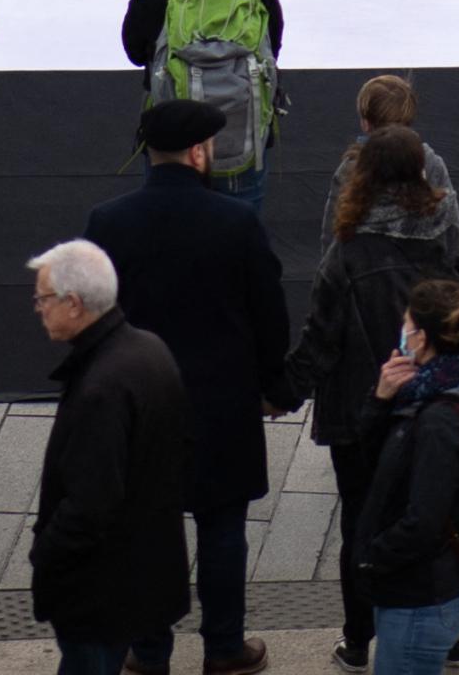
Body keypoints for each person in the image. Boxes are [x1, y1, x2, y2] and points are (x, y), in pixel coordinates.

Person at [285, 125, 459, 670]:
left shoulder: (346, 251)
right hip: (443, 405)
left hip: (361, 410)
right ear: (423, 174)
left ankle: (359, 637)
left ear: (361, 180)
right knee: (439, 513)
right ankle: (448, 636)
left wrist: (279, 395)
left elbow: (320, 339)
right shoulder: (454, 241)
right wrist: (455, 352)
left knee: (361, 520)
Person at [85, 100, 291, 675]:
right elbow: (269, 315)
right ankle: (225, 647)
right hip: (221, 404)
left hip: (137, 403)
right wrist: (276, 386)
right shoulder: (236, 223)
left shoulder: (108, 222)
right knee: (222, 528)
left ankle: (149, 651)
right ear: (200, 152)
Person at [29, 238, 192, 675]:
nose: (38, 308)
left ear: (75, 304)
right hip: (144, 575)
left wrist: (44, 554)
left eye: (43, 298)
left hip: (99, 592)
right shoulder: (149, 350)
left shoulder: (100, 388)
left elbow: (89, 505)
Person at [357, 280, 459, 675]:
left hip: (418, 598)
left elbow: (424, 520)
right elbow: (374, 463)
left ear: (420, 338)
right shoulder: (447, 387)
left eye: (406, 324)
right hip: (422, 590)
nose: (400, 332)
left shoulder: (439, 419)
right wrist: (380, 400)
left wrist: (371, 557)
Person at [121, 0, 288, 220]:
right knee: (237, 245)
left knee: (170, 243)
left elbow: (135, 49)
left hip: (171, 142)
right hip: (242, 137)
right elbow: (274, 47)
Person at [321, 75, 459, 249]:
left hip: (365, 271)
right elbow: (453, 230)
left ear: (365, 123)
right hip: (426, 271)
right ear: (408, 119)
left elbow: (332, 236)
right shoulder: (432, 163)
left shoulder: (350, 169)